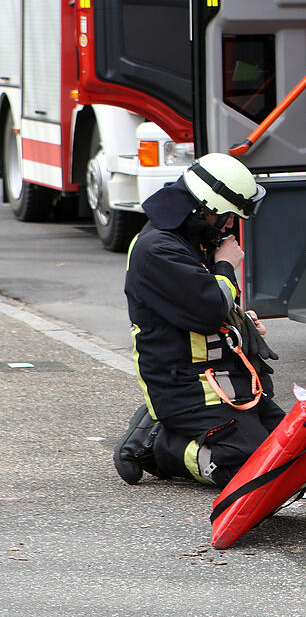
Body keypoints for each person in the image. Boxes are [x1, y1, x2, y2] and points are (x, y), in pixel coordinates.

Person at [113, 153, 284, 489]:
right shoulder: (158, 250)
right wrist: (224, 268)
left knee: (291, 445)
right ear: (207, 209)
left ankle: (163, 428)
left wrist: (240, 321)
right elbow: (207, 310)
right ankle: (159, 446)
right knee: (248, 464)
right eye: (228, 217)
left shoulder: (194, 239)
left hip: (221, 379)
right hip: (185, 385)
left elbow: (202, 306)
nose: (231, 227)